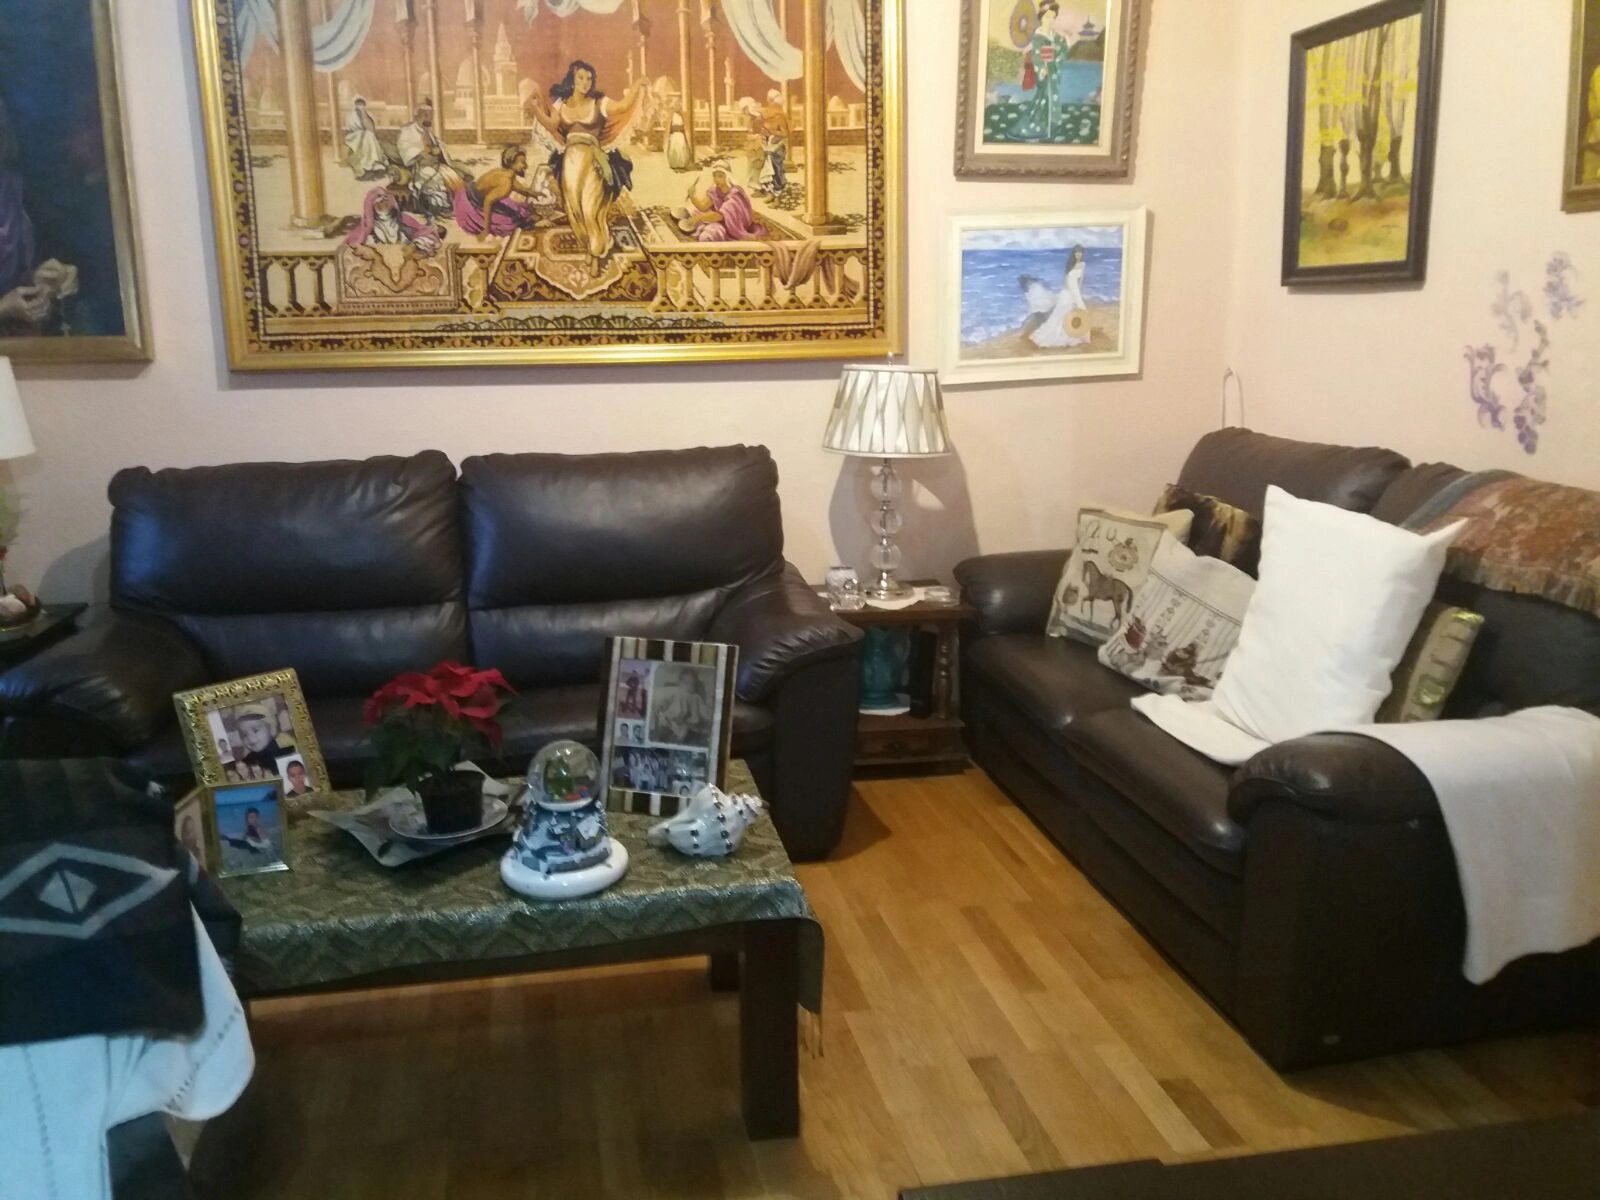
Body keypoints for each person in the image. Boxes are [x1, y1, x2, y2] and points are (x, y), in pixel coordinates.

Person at [527, 61, 648, 265]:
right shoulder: (561, 104)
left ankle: (595, 251)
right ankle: (590, 246)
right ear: (572, 80)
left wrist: (637, 85)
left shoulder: (599, 102)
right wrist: (535, 108)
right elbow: (550, 125)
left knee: (591, 210)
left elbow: (623, 106)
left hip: (593, 161)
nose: (585, 82)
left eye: (589, 79)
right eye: (581, 78)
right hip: (570, 164)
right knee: (574, 210)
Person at [452, 145, 547, 238]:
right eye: (522, 163)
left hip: (477, 195)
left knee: (520, 210)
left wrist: (534, 194)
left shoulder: (507, 174)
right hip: (471, 204)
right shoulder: (505, 182)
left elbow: (519, 188)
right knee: (509, 224)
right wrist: (486, 229)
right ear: (511, 164)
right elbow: (487, 202)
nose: (525, 166)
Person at [396, 99, 460, 219]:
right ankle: (441, 206)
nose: (431, 120)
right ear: (421, 115)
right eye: (429, 116)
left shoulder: (427, 131)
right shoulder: (408, 132)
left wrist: (438, 149)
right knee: (436, 177)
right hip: (419, 167)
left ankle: (455, 205)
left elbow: (436, 145)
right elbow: (406, 151)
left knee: (454, 177)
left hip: (435, 164)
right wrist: (423, 152)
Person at [1018, 1, 1071, 143]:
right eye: (1047, 17)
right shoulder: (1038, 36)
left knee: (1053, 95)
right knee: (1044, 96)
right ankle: (1040, 124)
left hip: (1053, 69)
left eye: (1053, 17)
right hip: (1043, 70)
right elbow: (1036, 55)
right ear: (1041, 17)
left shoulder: (1055, 35)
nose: (1050, 20)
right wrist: (1041, 68)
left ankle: (1053, 123)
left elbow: (1061, 50)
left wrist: (1066, 43)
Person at [1021, 244, 1090, 349]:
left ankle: (1082, 336)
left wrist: (1077, 296)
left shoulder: (1082, 265)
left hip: (1075, 292)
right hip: (1067, 292)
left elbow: (1080, 282)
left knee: (1082, 312)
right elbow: (1067, 281)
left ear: (1082, 254)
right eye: (1076, 253)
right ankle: (1068, 335)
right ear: (1074, 254)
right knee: (1062, 316)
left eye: (1080, 253)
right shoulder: (1070, 265)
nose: (1078, 255)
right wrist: (1066, 293)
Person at [680, 162, 769, 242]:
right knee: (693, 211)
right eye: (714, 176)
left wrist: (699, 218)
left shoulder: (735, 195)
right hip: (718, 218)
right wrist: (692, 196)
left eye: (720, 176)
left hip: (731, 224)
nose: (716, 179)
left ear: (727, 177)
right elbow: (702, 207)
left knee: (707, 236)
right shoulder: (715, 190)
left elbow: (720, 216)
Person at [344, 185, 442, 252]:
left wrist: (419, 241)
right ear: (372, 207)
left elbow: (420, 231)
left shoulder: (404, 218)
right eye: (380, 203)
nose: (384, 204)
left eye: (386, 201)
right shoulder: (368, 226)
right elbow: (353, 244)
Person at [228, 704, 295, 781]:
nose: (250, 738)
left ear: (271, 728)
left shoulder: (287, 751)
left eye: (255, 730)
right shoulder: (247, 761)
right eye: (244, 734)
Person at [342, 97, 388, 179]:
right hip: (355, 136)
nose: (360, 107)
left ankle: (373, 164)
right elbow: (351, 128)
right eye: (358, 105)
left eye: (362, 105)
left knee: (369, 137)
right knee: (368, 137)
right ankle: (369, 165)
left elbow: (371, 129)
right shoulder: (351, 115)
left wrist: (364, 115)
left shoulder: (368, 115)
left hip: (367, 136)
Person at [755, 89, 790, 194]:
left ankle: (778, 193)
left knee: (777, 169)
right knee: (768, 170)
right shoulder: (764, 116)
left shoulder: (780, 117)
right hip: (767, 146)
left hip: (776, 147)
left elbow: (785, 133)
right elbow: (758, 127)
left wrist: (771, 131)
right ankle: (771, 191)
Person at [665, 105, 693, 172]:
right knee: (674, 149)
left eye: (679, 108)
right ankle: (674, 164)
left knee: (681, 149)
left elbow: (684, 127)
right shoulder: (672, 116)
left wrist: (683, 130)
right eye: (677, 108)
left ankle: (682, 164)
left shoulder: (681, 116)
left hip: (681, 135)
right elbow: (670, 127)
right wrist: (670, 134)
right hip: (674, 135)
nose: (678, 109)